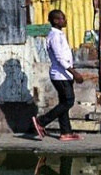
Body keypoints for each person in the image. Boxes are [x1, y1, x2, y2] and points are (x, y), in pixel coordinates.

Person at [32, 9, 83, 141]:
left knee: (64, 103)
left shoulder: (59, 34)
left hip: (65, 75)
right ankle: (41, 121)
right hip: (60, 76)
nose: (65, 20)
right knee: (68, 101)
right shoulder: (54, 36)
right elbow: (60, 59)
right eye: (62, 18)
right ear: (55, 21)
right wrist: (75, 73)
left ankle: (66, 133)